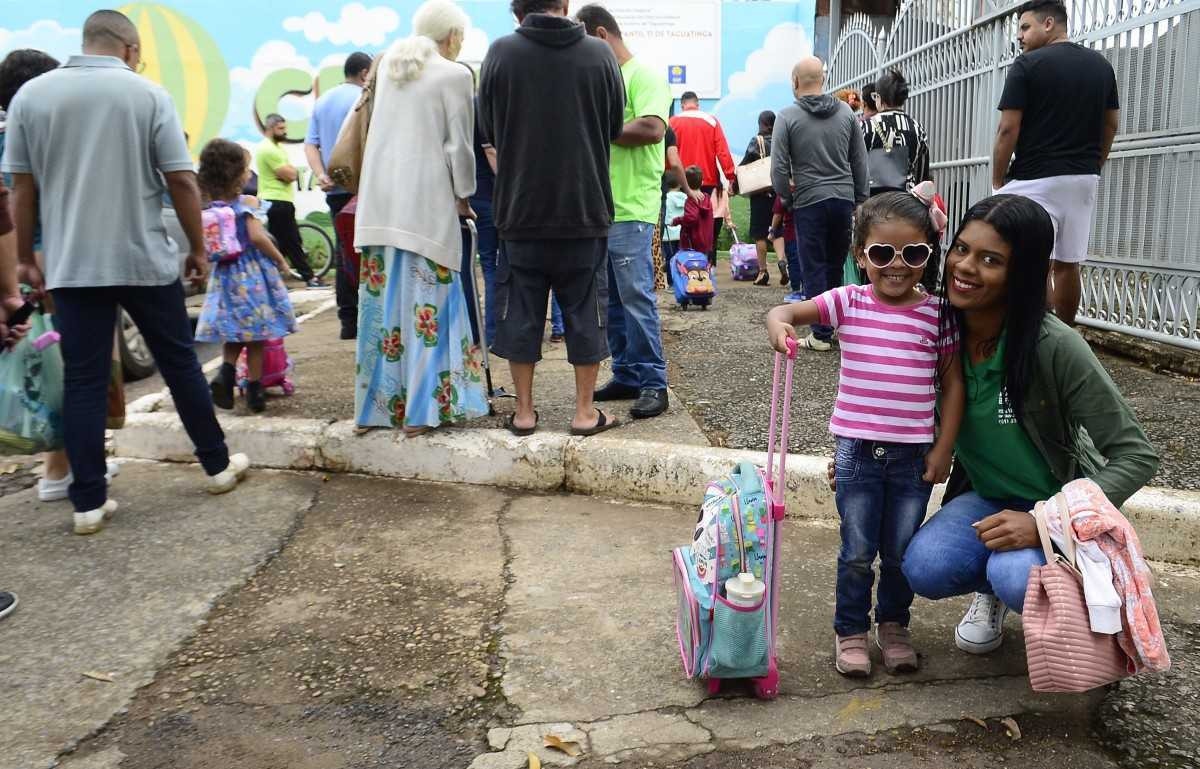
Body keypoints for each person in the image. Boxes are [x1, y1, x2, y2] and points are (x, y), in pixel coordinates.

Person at [3, 10, 250, 535]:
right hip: (142, 259)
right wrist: (196, 249)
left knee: (85, 379)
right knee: (180, 364)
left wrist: (26, 255)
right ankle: (217, 466)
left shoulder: (32, 97)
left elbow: (21, 188)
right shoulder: (147, 95)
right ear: (130, 48)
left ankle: (88, 502)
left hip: (72, 265)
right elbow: (182, 182)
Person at [900, 194, 1158, 655]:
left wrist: (1043, 522)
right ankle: (993, 594)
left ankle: (1096, 602)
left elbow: (1136, 455)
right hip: (984, 497)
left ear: (1021, 273)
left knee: (1016, 574)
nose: (965, 267)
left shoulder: (1054, 346)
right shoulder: (937, 330)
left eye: (990, 260)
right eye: (961, 249)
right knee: (924, 566)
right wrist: (857, 452)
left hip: (1053, 503)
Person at [767, 190, 964, 677]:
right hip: (855, 453)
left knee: (900, 552)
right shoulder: (847, 301)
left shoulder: (938, 313)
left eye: (913, 254)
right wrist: (778, 324)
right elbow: (788, 311)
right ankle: (850, 630)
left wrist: (944, 448)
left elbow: (954, 384)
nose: (897, 266)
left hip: (913, 458)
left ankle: (894, 626)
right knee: (857, 551)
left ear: (929, 254)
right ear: (860, 255)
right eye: (881, 254)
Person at [480, 0, 624, 436]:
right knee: (585, 310)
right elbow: (614, 124)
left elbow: (487, 124)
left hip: (520, 209)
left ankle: (524, 412)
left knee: (520, 312)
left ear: (516, 11)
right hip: (584, 206)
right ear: (565, 5)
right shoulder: (599, 55)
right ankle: (583, 413)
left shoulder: (501, 53)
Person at [353, 0, 488, 435]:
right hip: (425, 208)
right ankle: (421, 413)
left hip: (378, 205)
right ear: (452, 36)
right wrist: (464, 196)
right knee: (427, 310)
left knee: (384, 313)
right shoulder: (454, 74)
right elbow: (459, 148)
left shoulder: (389, 64)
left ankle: (375, 410)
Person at [0, 49, 117, 502]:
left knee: (42, 368)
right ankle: (71, 470)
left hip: (19, 265)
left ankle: (60, 466)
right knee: (76, 369)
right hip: (48, 260)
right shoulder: (33, 139)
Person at [991, 0, 1119, 324]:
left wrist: (997, 180)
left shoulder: (1027, 65)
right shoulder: (1101, 66)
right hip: (1082, 179)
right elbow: (1111, 124)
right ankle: (1065, 332)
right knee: (1068, 262)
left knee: (1034, 260)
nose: (1019, 36)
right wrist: (1095, 164)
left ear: (1048, 24)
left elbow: (1008, 129)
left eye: (1024, 27)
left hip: (1035, 177)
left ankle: (1036, 331)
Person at [578, 4, 672, 420]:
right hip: (601, 207)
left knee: (635, 299)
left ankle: (654, 382)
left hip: (631, 207)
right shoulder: (606, 78)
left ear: (601, 34)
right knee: (612, 301)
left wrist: (596, 125)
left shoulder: (644, 76)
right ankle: (628, 373)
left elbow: (653, 128)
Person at [771, 56, 869, 352]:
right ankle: (835, 326)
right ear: (823, 81)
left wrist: (786, 198)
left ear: (795, 82)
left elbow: (777, 167)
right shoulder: (846, 113)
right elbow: (859, 160)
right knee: (835, 264)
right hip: (842, 199)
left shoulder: (787, 116)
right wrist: (860, 199)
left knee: (813, 266)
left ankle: (821, 334)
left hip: (809, 199)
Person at [195, 140, 297, 414]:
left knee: (234, 330)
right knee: (257, 336)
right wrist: (280, 260)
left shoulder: (210, 206)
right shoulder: (246, 203)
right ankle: (255, 393)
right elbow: (256, 237)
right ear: (237, 173)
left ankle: (225, 374)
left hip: (225, 273)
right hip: (251, 274)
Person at [305, 51, 372, 338]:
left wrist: (321, 173)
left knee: (344, 249)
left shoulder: (323, 101)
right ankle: (371, 319)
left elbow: (311, 144)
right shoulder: (365, 98)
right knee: (367, 251)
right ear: (364, 73)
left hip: (335, 191)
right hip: (363, 188)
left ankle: (348, 320)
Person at [670, 90, 736, 263]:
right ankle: (708, 263)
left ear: (682, 105)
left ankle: (681, 264)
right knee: (706, 223)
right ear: (697, 104)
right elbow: (722, 151)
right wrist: (730, 176)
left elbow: (666, 153)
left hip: (680, 181)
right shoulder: (712, 121)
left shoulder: (673, 122)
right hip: (706, 180)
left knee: (683, 223)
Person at [257, 113, 321, 288]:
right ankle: (309, 278)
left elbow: (291, 174)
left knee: (282, 244)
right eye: (281, 129)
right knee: (292, 241)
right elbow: (291, 174)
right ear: (270, 129)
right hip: (276, 201)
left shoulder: (277, 148)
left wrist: (290, 173)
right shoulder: (268, 149)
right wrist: (290, 173)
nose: (284, 132)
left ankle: (269, 279)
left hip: (281, 201)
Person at [863, 70, 930, 196]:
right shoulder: (917, 129)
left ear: (879, 97)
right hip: (905, 202)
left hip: (872, 201)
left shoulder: (866, 127)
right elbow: (922, 175)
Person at [739, 110, 784, 286]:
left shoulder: (756, 142)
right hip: (779, 193)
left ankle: (763, 271)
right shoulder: (781, 140)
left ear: (761, 124)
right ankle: (782, 261)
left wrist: (735, 183)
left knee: (760, 235)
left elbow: (745, 163)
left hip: (760, 194)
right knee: (777, 230)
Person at [671, 166, 713, 256]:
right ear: (702, 182)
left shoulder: (691, 200)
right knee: (701, 266)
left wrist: (677, 220)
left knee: (690, 267)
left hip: (692, 242)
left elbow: (691, 217)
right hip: (705, 241)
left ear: (685, 184)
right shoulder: (707, 199)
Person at [770, 195, 803, 302]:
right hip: (808, 232)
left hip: (791, 234)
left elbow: (778, 213)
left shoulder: (785, 190)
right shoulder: (809, 185)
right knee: (807, 261)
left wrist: (772, 230)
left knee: (794, 263)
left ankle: (796, 291)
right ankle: (807, 289)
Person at [661, 173, 686, 270]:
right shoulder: (685, 197)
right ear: (680, 184)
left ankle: (671, 281)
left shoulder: (665, 198)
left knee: (669, 258)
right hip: (682, 233)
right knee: (681, 259)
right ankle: (681, 281)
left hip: (668, 234)